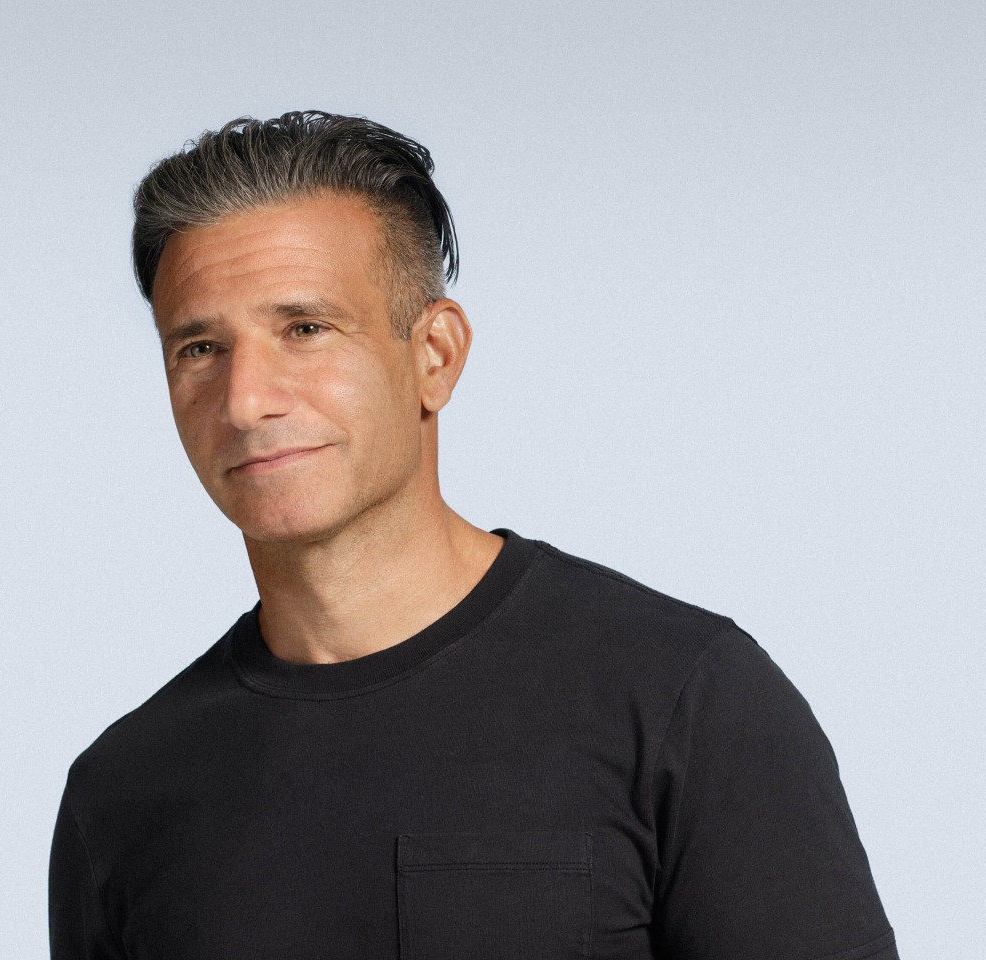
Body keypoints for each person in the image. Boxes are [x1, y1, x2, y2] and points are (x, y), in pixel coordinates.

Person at [49, 110, 899, 960]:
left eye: (306, 330)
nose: (245, 401)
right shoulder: (124, 792)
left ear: (436, 354)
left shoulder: (683, 702)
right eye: (199, 348)